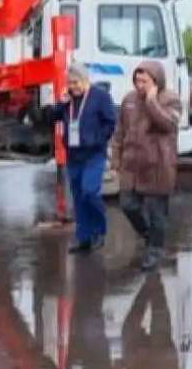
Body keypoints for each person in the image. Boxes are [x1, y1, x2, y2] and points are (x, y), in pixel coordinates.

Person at [111, 61, 182, 270]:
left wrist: (151, 101)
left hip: (158, 165)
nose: (140, 85)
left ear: (156, 80)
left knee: (156, 212)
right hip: (131, 165)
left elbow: (168, 124)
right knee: (127, 205)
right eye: (137, 80)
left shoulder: (171, 99)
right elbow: (119, 132)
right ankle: (149, 235)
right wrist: (116, 158)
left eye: (145, 81)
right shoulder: (129, 100)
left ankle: (155, 251)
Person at [52, 63, 117, 254]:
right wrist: (59, 104)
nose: (73, 87)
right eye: (70, 83)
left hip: (94, 154)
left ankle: (99, 231)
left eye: (76, 82)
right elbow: (54, 117)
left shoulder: (100, 97)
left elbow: (110, 121)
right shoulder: (69, 100)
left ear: (85, 80)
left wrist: (98, 139)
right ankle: (84, 238)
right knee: (79, 197)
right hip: (74, 154)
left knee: (90, 192)